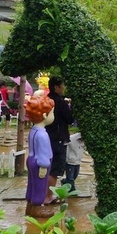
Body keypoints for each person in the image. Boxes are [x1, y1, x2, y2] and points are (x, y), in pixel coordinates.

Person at [44, 76, 74, 205]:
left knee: (46, 167)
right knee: (55, 170)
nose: (64, 88)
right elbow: (70, 119)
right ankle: (48, 196)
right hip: (58, 138)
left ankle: (44, 194)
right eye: (62, 86)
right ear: (56, 87)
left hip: (47, 136)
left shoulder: (46, 99)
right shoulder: (59, 102)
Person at [25, 95, 56, 218]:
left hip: (32, 159)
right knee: (40, 184)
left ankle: (30, 205)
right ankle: (37, 206)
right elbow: (43, 152)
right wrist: (44, 165)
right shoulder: (42, 134)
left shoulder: (34, 130)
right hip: (40, 163)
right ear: (44, 116)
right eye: (51, 113)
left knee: (32, 183)